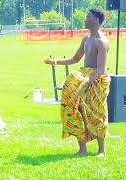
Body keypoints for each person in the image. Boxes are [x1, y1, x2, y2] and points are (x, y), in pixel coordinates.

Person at [44, 8, 111, 157]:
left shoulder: (102, 42)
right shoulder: (86, 39)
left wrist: (87, 82)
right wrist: (54, 61)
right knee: (76, 109)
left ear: (96, 20)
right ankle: (82, 149)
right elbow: (74, 59)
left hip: (97, 79)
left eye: (88, 17)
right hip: (84, 76)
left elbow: (100, 68)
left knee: (98, 113)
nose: (85, 19)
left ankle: (101, 150)